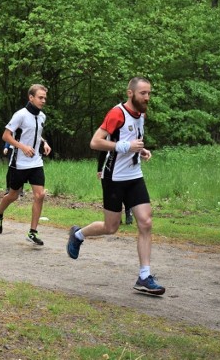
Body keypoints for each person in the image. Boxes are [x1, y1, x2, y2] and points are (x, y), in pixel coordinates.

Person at [66, 77, 165, 295]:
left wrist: (141, 150)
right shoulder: (117, 113)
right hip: (114, 177)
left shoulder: (141, 114)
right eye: (143, 93)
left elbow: (133, 140)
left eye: (149, 93)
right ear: (130, 93)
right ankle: (78, 234)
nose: (147, 97)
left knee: (146, 222)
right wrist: (123, 146)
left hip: (134, 175)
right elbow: (95, 142)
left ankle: (144, 276)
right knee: (111, 227)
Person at [0, 84, 51, 245]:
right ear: (31, 98)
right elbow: (6, 136)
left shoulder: (42, 117)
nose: (43, 100)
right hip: (19, 162)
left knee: (40, 195)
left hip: (36, 162)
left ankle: (32, 232)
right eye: (40, 97)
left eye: (45, 98)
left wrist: (44, 143)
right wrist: (22, 147)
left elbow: (36, 134)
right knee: (14, 195)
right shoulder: (20, 115)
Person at [97, 150, 133, 225]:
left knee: (125, 193)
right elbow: (102, 152)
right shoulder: (108, 140)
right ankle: (117, 216)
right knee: (113, 194)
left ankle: (128, 212)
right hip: (110, 169)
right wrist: (99, 169)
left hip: (125, 169)